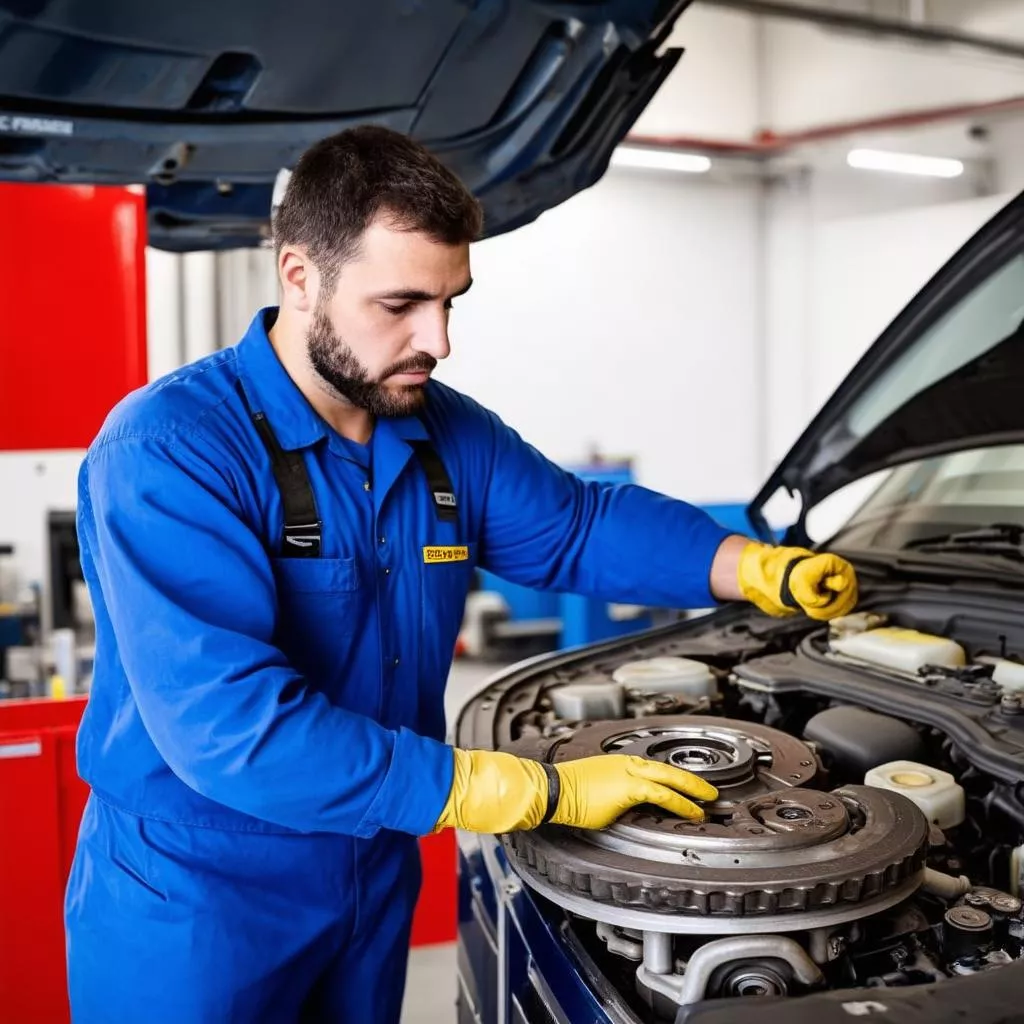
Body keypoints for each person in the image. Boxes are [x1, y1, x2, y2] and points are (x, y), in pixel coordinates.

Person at [64, 124, 858, 1023]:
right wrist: (510, 789)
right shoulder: (170, 450)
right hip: (202, 895)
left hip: (372, 864)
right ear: (299, 276)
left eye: (451, 302)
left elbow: (575, 526)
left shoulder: (445, 431)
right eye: (400, 304)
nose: (437, 340)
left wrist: (748, 565)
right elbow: (228, 731)